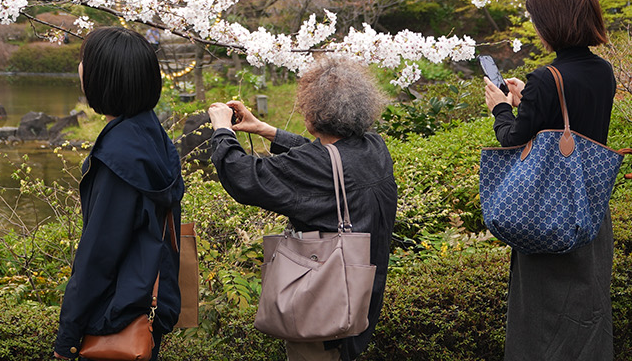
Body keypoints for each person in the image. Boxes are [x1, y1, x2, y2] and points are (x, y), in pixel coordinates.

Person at [207, 58, 397, 361]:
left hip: (322, 316)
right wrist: (265, 130)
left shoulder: (316, 166)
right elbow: (327, 157)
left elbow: (243, 176)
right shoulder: (375, 148)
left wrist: (221, 130)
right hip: (360, 300)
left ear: (311, 113)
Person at [484, 0, 617, 360]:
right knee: (588, 312)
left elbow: (513, 140)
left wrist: (501, 109)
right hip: (591, 210)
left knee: (543, 323)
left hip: (547, 211)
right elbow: (572, 121)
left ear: (551, 21)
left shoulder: (546, 78)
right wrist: (529, 99)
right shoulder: (602, 70)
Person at [54, 27, 183, 361]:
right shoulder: (152, 134)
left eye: (84, 60)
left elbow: (98, 256)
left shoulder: (117, 158)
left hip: (114, 321)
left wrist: (67, 339)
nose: (80, 68)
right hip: (146, 309)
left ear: (103, 76)